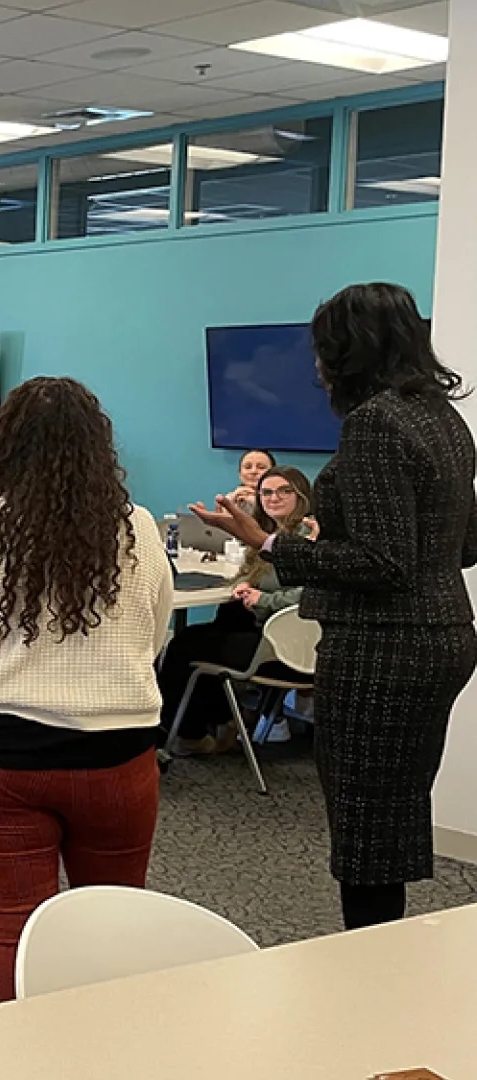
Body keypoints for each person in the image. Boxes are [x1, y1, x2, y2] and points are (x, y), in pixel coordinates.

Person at [192, 282, 477, 931]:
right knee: (395, 811)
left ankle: (370, 961)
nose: (318, 365)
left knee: (365, 828)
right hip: (443, 633)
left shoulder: (376, 422)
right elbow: (463, 543)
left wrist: (268, 542)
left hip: (383, 647)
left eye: (324, 349)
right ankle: (387, 948)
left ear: (351, 351)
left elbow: (384, 564)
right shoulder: (444, 419)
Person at [0, 376, 171, 1002]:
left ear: (5, 446)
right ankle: (109, 1043)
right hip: (115, 751)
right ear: (98, 447)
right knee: (113, 920)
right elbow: (154, 637)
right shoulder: (138, 529)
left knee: (19, 924)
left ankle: (22, 1047)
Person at [159, 466, 315, 754]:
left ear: (302, 496)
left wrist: (263, 599)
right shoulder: (266, 535)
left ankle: (187, 733)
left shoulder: (309, 537)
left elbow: (311, 593)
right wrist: (245, 585)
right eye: (267, 492)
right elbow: (256, 577)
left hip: (286, 646)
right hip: (268, 631)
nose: (274, 498)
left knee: (185, 646)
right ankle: (220, 722)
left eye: (284, 491)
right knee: (220, 625)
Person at [225, 449, 276, 514]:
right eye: (247, 467)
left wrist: (257, 504)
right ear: (240, 474)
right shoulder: (230, 499)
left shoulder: (281, 499)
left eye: (261, 467)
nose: (253, 471)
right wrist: (228, 506)